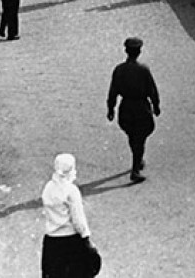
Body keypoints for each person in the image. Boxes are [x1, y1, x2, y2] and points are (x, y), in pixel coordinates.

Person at [107, 37, 161, 183]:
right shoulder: (143, 70)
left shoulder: (119, 70)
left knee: (132, 136)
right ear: (139, 52)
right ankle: (135, 169)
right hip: (141, 108)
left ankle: (137, 161)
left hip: (126, 108)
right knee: (140, 138)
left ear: (126, 51)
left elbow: (113, 91)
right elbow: (152, 90)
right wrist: (156, 105)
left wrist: (111, 108)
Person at [41, 154, 97, 278]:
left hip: (51, 241)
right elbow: (78, 220)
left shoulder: (48, 188)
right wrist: (86, 238)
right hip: (70, 241)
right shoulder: (71, 190)